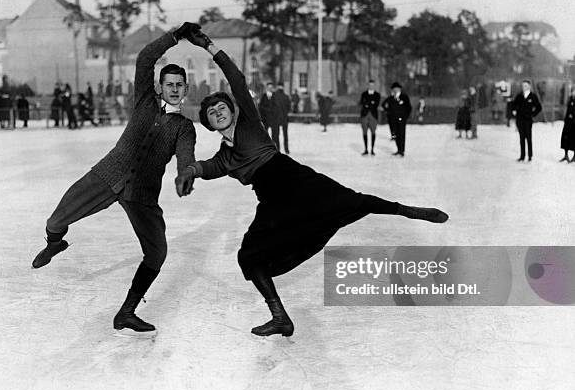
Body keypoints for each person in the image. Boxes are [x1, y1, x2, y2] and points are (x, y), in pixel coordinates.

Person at [175, 29, 449, 338]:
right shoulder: (225, 157)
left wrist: (210, 47)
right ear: (209, 124)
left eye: (221, 107)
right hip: (272, 197)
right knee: (248, 258)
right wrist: (190, 171)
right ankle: (280, 317)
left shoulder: (250, 121)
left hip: (292, 177)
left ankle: (407, 210)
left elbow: (237, 82)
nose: (218, 113)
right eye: (212, 113)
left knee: (351, 200)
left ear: (232, 110)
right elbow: (209, 166)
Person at [31, 22, 200, 336]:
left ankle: (126, 312)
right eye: (169, 84)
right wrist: (175, 35)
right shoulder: (144, 102)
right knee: (55, 220)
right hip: (108, 174)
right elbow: (145, 59)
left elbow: (186, 154)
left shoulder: (184, 127)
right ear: (160, 87)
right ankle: (55, 244)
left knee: (157, 252)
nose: (174, 89)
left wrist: (186, 172)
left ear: (185, 90)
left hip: (142, 194)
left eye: (180, 85)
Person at [511, 80, 542, 162]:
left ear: (529, 86)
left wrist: (533, 114)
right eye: (523, 85)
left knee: (528, 138)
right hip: (520, 120)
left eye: (525, 85)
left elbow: (539, 107)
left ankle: (530, 156)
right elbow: (513, 105)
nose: (524, 87)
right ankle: (522, 156)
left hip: (528, 120)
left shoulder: (533, 96)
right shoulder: (519, 96)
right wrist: (514, 110)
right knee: (521, 138)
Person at [381, 82, 411, 156]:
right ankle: (398, 149)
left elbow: (409, 107)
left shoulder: (404, 97)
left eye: (397, 89)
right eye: (394, 89)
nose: (395, 90)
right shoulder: (391, 98)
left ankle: (402, 150)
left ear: (399, 89)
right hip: (393, 119)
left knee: (401, 134)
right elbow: (384, 105)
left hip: (401, 119)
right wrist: (388, 111)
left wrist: (405, 116)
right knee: (396, 134)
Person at [359, 79, 381, 155]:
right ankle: (366, 149)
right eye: (370, 85)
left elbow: (376, 104)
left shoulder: (377, 95)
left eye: (372, 85)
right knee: (364, 132)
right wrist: (371, 103)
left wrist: (367, 103)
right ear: (368, 85)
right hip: (364, 115)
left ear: (374, 86)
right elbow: (361, 102)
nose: (371, 86)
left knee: (373, 132)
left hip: (373, 116)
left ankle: (372, 149)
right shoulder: (364, 94)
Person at [272, 82, 291, 154]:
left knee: (276, 134)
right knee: (285, 134)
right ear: (283, 87)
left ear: (277, 86)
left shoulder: (274, 96)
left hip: (276, 117)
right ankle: (286, 149)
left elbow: (272, 107)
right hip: (284, 117)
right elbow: (289, 107)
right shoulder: (286, 96)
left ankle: (277, 148)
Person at [559, 87, 575, 162]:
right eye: (573, 91)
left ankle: (574, 157)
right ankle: (566, 155)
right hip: (568, 122)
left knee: (573, 139)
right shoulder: (570, 99)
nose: (573, 93)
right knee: (565, 139)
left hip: (574, 123)